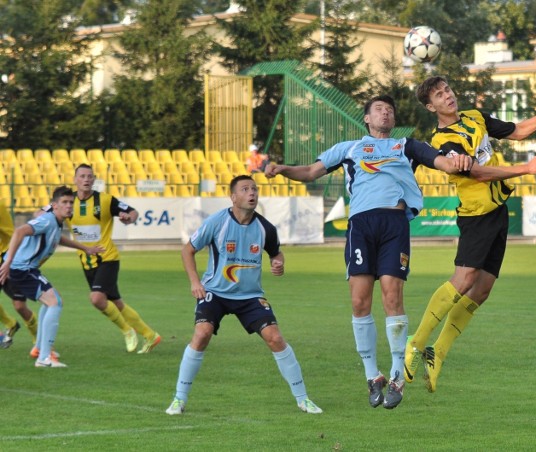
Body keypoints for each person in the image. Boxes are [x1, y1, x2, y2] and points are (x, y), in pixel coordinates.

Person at [264, 94, 485, 410]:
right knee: (359, 300)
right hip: (361, 226)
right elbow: (311, 172)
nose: (386, 113)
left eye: (390, 110)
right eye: (379, 109)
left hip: (394, 223)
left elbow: (444, 162)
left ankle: (396, 376)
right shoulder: (349, 148)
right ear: (367, 118)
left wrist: (459, 161)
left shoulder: (406, 146)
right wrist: (283, 168)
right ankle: (372, 376)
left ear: (393, 121)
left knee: (392, 296)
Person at [404, 75, 536, 392]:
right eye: (439, 95)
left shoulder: (476, 117)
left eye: (447, 89)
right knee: (463, 280)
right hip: (476, 215)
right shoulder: (444, 141)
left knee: (482, 290)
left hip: (497, 210)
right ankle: (415, 344)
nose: (447, 96)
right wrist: (525, 169)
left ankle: (438, 352)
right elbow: (478, 172)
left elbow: (518, 131)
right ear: (431, 107)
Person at [166, 175, 322, 415]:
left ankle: (303, 399)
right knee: (202, 333)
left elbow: (276, 254)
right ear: (233, 196)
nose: (252, 193)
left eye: (255, 189)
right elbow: (187, 251)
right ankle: (179, 399)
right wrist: (195, 282)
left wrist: (279, 263)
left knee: (275, 338)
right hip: (215, 292)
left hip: (250, 296)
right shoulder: (217, 222)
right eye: (246, 189)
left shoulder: (266, 228)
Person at [39, 164, 161, 354]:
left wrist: (128, 217)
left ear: (94, 179)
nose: (86, 179)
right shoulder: (67, 202)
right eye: (82, 176)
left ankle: (127, 331)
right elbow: (39, 213)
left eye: (89, 176)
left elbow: (132, 212)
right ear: (75, 179)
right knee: (117, 303)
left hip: (107, 257)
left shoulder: (105, 200)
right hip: (86, 260)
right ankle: (151, 335)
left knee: (96, 299)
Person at [0, 186, 103, 367]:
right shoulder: (47, 220)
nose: (69, 206)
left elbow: (58, 238)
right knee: (55, 302)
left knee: (51, 301)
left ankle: (40, 349)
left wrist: (85, 248)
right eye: (64, 202)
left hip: (26, 268)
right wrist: (7, 263)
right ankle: (44, 358)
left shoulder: (55, 222)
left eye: (71, 202)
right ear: (54, 205)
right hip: (21, 269)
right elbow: (19, 231)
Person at [0, 198, 39, 350]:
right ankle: (10, 324)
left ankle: (37, 339)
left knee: (19, 305)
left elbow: (11, 235)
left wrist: (10, 261)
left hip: (7, 259)